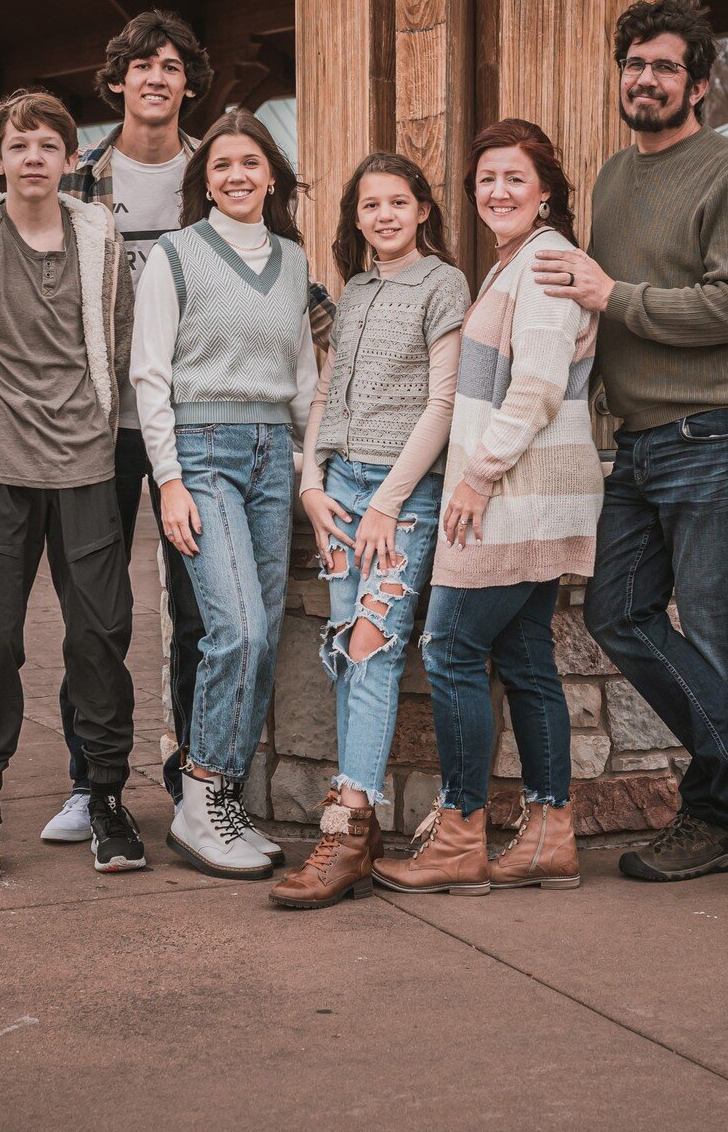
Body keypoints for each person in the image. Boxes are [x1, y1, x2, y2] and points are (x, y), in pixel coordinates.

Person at [533, 0, 728, 891]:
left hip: (720, 429)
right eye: (633, 64)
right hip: (644, 441)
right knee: (618, 609)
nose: (644, 80)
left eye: (663, 67)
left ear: (696, 83)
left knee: (721, 635)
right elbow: (597, 306)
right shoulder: (614, 178)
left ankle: (714, 818)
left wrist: (611, 297)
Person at [45, 11, 333, 848]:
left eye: (171, 66)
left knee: (204, 614)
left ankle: (191, 783)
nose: (156, 79)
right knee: (95, 611)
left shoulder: (217, 168)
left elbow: (293, 307)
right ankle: (90, 781)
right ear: (118, 81)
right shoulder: (79, 184)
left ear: (188, 82)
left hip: (196, 424)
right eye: (141, 66)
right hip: (101, 426)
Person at [0, 88, 143, 881]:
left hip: (84, 464)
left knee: (99, 635)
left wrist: (102, 427)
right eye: (19, 147)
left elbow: (118, 335)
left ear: (71, 158)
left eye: (49, 146)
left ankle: (106, 797)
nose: (34, 159)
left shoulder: (102, 236)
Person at [373, 120, 604, 896]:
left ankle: (461, 837)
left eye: (514, 178)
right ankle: (548, 834)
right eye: (485, 180)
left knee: (449, 650)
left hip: (512, 498)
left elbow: (535, 388)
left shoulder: (541, 261)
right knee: (528, 660)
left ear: (545, 192)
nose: (497, 192)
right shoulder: (517, 263)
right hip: (532, 498)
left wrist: (475, 477)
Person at [271, 154, 469, 910]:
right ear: (355, 219)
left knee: (372, 649)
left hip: (402, 494)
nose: (383, 216)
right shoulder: (352, 292)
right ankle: (359, 829)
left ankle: (350, 823)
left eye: (397, 202)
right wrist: (313, 484)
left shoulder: (444, 283)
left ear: (422, 208)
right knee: (348, 648)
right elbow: (326, 391)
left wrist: (387, 502)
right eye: (369, 206)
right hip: (341, 489)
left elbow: (443, 404)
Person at [132, 108, 317, 879]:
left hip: (276, 454)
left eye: (249, 163)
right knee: (233, 628)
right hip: (202, 455)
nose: (236, 176)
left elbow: (306, 379)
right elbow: (149, 375)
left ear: (271, 174)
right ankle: (200, 797)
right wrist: (169, 481)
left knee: (264, 634)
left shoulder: (294, 260)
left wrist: (316, 473)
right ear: (202, 182)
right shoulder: (175, 256)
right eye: (220, 166)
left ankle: (224, 800)